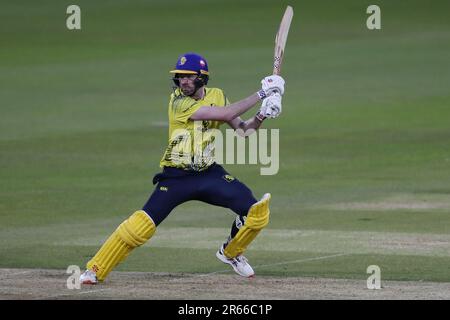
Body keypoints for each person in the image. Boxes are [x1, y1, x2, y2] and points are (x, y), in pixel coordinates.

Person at [80, 52, 284, 284]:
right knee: (140, 227)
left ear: (202, 78)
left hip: (208, 173)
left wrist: (262, 114)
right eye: (180, 77)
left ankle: (231, 253)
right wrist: (263, 93)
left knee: (255, 213)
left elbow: (244, 131)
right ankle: (95, 269)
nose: (183, 81)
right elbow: (226, 113)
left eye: (189, 77)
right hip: (176, 177)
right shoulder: (178, 102)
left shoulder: (217, 95)